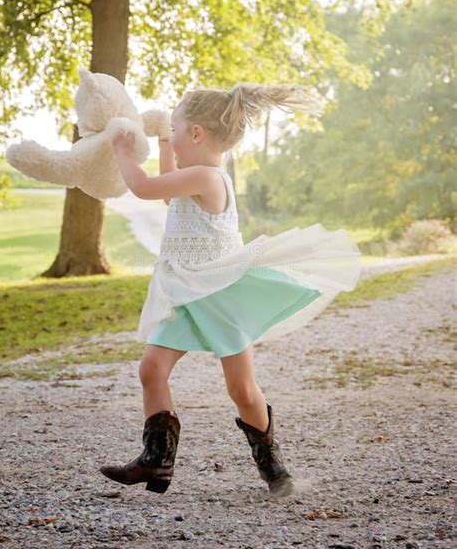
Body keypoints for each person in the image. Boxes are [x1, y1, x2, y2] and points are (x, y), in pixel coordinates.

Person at [99, 83, 362, 498]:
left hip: (221, 297)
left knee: (241, 389)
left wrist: (121, 149)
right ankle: (157, 458)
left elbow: (148, 187)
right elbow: (169, 191)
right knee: (151, 369)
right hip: (186, 296)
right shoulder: (194, 177)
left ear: (198, 134)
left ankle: (273, 464)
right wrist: (165, 138)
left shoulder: (208, 177)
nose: (174, 138)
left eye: (177, 130)